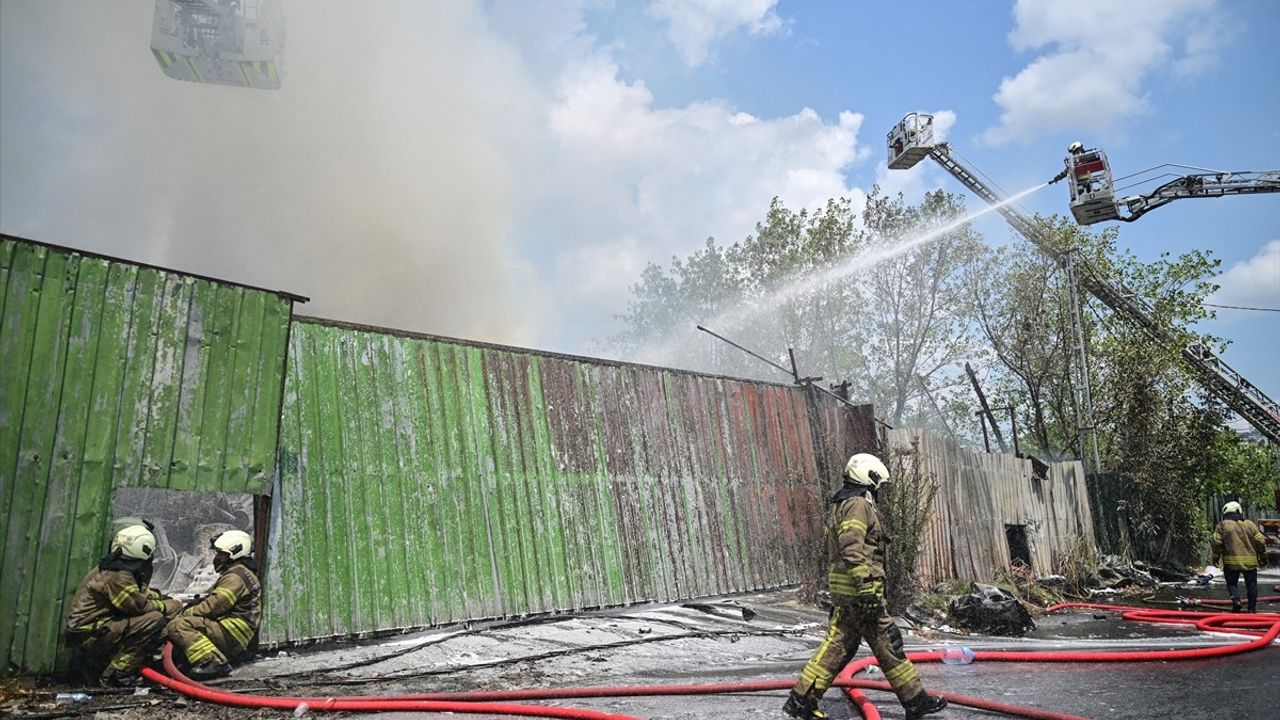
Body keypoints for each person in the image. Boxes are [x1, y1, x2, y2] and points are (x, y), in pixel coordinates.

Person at [784, 453, 947, 720]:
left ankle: (802, 699)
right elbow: (852, 548)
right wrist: (866, 587)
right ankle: (915, 700)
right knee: (880, 641)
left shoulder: (844, 503)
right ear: (868, 478)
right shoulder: (857, 504)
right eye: (877, 485)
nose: (878, 490)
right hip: (860, 593)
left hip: (851, 591)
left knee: (849, 644)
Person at [64, 524, 183, 686]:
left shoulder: (113, 567)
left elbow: (137, 593)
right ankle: (116, 675)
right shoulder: (120, 575)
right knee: (154, 620)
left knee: (157, 626)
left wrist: (161, 596)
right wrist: (166, 606)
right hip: (90, 637)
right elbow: (137, 606)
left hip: (92, 632)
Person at [166, 529, 261, 678]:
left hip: (232, 633)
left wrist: (185, 613)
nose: (217, 558)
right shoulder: (237, 572)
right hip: (231, 630)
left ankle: (213, 662)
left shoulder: (236, 577)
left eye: (221, 554)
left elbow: (214, 606)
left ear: (233, 553)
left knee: (178, 625)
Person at [1211, 501, 1267, 613]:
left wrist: (1216, 558)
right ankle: (1251, 609)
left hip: (1231, 563)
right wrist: (1263, 558)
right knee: (1251, 585)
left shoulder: (1222, 525)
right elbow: (1261, 541)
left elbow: (1216, 543)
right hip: (1250, 563)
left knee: (1232, 583)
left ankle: (1236, 601)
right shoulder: (1250, 525)